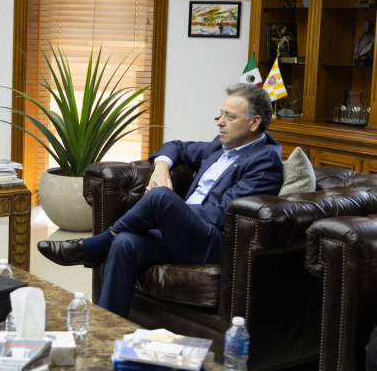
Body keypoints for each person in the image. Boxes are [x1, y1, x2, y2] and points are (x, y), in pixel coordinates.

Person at [37, 83, 283, 318]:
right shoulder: (220, 145)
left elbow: (223, 214)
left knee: (161, 197)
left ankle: (95, 245)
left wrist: (173, 212)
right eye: (220, 114)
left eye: (229, 116)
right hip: (184, 234)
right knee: (125, 243)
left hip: (214, 242)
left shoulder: (265, 161)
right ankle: (107, 331)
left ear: (254, 122)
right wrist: (161, 168)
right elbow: (176, 146)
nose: (220, 121)